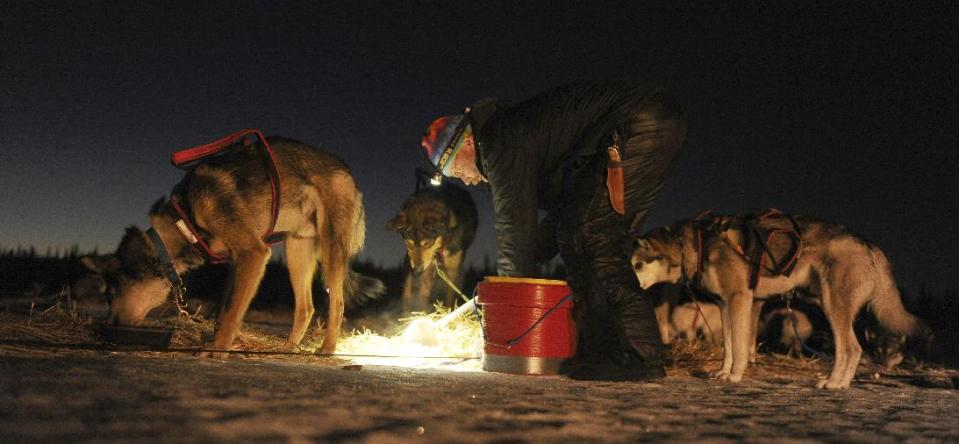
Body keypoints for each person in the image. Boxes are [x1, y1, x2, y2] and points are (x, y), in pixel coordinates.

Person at [420, 79, 687, 381]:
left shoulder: (498, 140)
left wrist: (509, 307)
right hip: (652, 122)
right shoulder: (512, 137)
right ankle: (606, 352)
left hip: (635, 125)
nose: (465, 180)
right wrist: (537, 252)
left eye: (457, 170)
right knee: (587, 235)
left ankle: (638, 354)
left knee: (588, 235)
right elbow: (560, 217)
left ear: (466, 144)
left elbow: (514, 228)